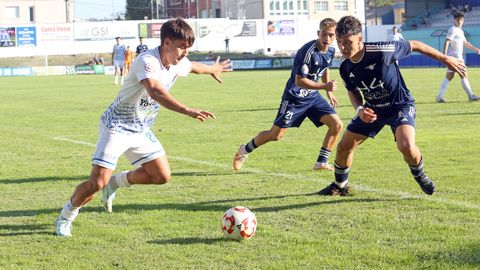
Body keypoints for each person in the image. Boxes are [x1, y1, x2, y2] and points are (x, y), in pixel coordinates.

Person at [55, 18, 232, 237]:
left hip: (140, 130)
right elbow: (156, 91)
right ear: (167, 42)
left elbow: (194, 66)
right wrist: (187, 110)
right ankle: (66, 216)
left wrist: (213, 68)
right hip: (117, 126)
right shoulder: (146, 61)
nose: (185, 53)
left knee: (161, 176)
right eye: (182, 47)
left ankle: (115, 183)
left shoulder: (178, 62)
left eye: (188, 48)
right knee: (96, 182)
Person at [317, 16, 467, 196]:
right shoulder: (345, 67)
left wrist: (445, 59)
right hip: (373, 110)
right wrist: (359, 109)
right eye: (340, 42)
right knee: (344, 146)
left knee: (406, 146)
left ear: (360, 39)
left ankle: (420, 175)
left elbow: (415, 44)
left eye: (348, 42)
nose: (343, 48)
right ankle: (340, 187)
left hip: (399, 106)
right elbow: (353, 91)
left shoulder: (382, 51)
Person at [233, 18, 343, 172]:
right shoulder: (307, 52)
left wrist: (328, 92)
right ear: (318, 33)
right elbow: (299, 81)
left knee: (336, 124)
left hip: (312, 97)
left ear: (335, 35)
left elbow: (324, 69)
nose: (327, 39)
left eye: (331, 35)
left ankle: (321, 162)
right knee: (275, 135)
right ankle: (244, 150)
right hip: (294, 98)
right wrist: (324, 86)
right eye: (324, 34)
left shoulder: (330, 50)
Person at [436, 11, 480, 103]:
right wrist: (444, 55)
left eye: (461, 19)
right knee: (463, 74)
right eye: (458, 19)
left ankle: (439, 96)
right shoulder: (453, 29)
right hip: (455, 57)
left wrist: (476, 49)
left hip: (453, 57)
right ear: (455, 20)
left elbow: (466, 43)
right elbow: (447, 41)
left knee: (449, 76)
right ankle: (471, 96)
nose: (460, 21)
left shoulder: (460, 31)